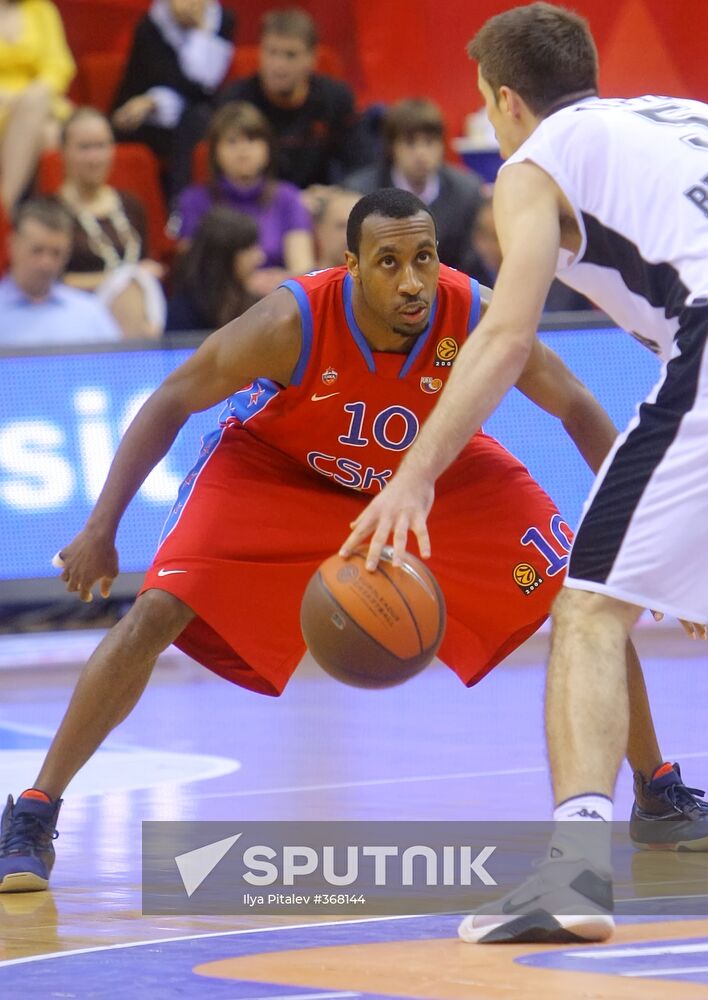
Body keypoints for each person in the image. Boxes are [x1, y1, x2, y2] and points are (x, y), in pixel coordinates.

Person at [1, 188, 706, 893]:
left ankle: (656, 789)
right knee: (156, 610)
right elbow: (174, 397)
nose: (411, 280)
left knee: (581, 598)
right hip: (282, 472)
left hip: (436, 472)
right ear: (352, 267)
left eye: (424, 259)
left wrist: (654, 543)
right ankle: (34, 809)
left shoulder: (476, 313)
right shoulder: (289, 321)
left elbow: (578, 406)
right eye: (390, 262)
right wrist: (102, 525)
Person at [340, 3, 708, 945]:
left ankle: (575, 876)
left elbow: (505, 337)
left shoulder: (534, 162)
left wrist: (415, 474)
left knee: (587, 609)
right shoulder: (676, 115)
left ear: (506, 100)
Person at [218, 8, 374, 190]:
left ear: (312, 58)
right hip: (256, 202)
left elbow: (361, 166)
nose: (279, 65)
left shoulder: (336, 99)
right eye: (272, 52)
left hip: (321, 203)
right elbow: (223, 172)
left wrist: (333, 194)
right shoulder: (235, 101)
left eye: (290, 55)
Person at [175, 101, 315, 296]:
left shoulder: (287, 197)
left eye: (252, 139)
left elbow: (303, 269)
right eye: (232, 141)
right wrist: (245, 283)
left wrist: (280, 282)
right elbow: (192, 271)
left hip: (278, 298)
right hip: (214, 303)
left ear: (268, 148)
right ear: (215, 152)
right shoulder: (194, 200)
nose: (243, 150)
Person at [55, 107, 166, 339]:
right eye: (84, 148)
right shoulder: (53, 212)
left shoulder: (130, 205)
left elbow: (147, 259)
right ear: (63, 151)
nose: (95, 158)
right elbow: (53, 282)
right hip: (77, 317)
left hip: (144, 308)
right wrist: (120, 278)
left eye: (101, 146)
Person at [111, 0, 236, 202]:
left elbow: (204, 85)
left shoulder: (223, 21)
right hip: (145, 121)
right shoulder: (150, 26)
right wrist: (151, 103)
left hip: (190, 117)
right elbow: (164, 78)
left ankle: (182, 204)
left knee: (198, 118)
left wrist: (202, 33)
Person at [344, 98, 483, 271]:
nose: (421, 154)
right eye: (410, 143)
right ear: (392, 147)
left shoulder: (467, 192)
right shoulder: (360, 192)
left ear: (442, 146)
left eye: (429, 142)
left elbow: (471, 262)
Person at [0, 197, 121, 347]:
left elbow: (116, 366)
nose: (46, 263)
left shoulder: (89, 313)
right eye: (37, 250)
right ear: (12, 246)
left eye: (56, 253)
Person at [462, 188, 594, 312]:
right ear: (478, 239)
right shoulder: (467, 281)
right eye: (494, 237)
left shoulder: (563, 278)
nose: (499, 246)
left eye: (509, 236)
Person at [0, 0, 75, 213]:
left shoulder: (41, 9)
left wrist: (33, 95)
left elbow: (59, 64)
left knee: (42, 114)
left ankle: (9, 211)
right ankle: (13, 214)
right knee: (48, 134)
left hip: (39, 101)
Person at [166, 206, 263, 333]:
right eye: (248, 249)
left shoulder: (255, 305)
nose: (259, 257)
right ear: (224, 257)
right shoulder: (183, 313)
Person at [311, 186, 361, 269]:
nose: (350, 234)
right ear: (319, 230)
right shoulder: (301, 282)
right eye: (341, 226)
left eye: (357, 226)